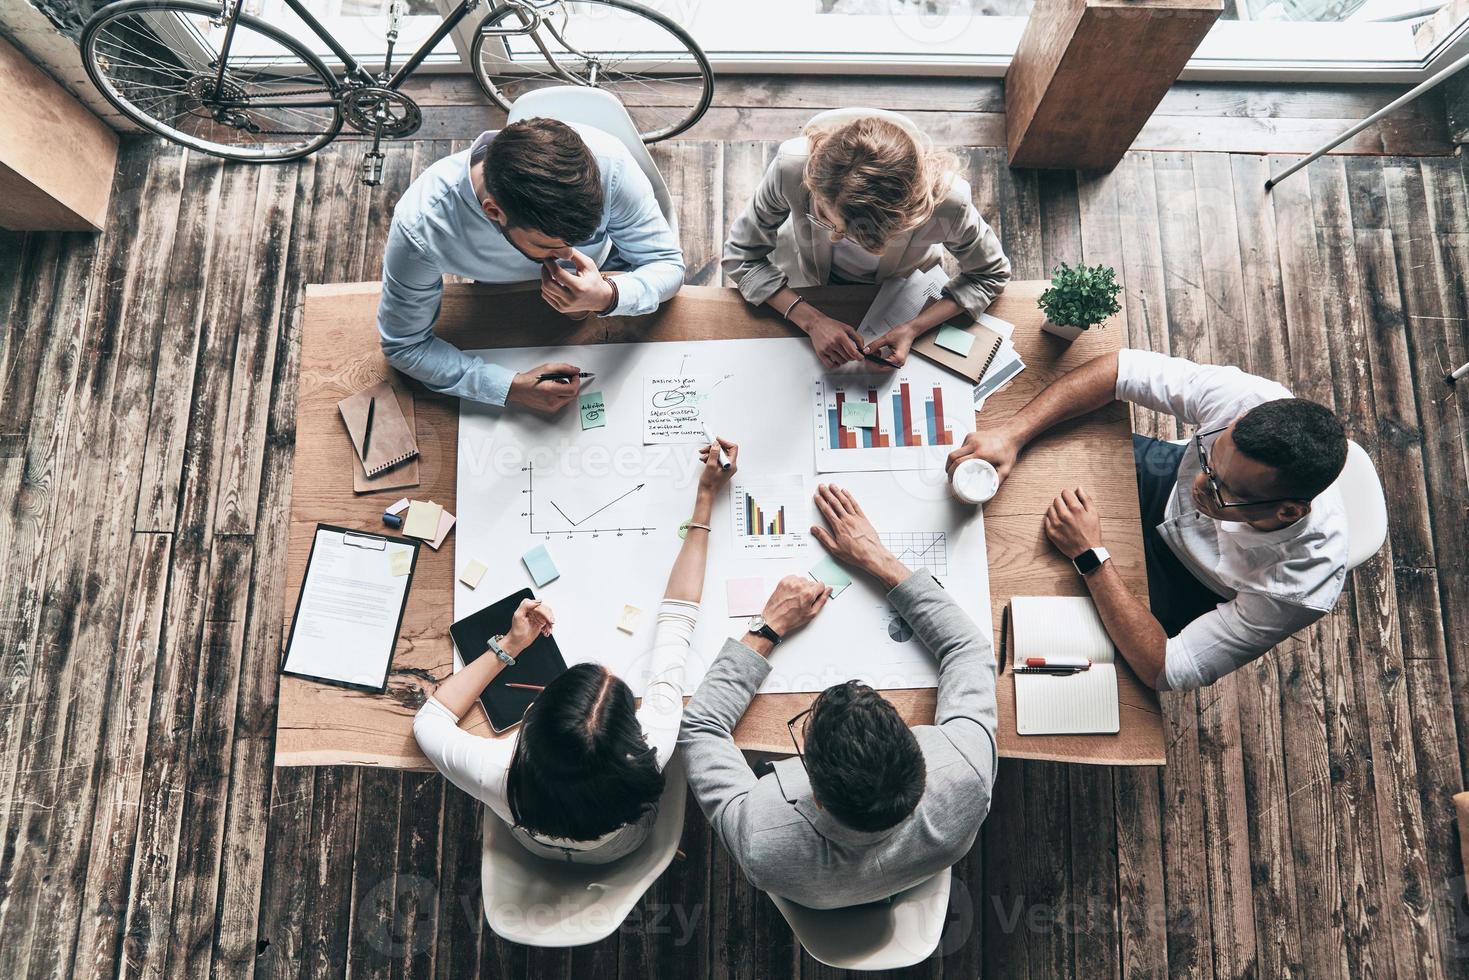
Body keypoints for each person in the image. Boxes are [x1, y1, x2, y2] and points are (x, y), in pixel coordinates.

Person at [946, 349, 1350, 692]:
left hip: (1189, 583)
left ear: (1288, 512)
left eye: (1222, 487)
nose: (1198, 482)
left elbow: (1167, 669)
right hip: (1159, 483)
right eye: (1209, 456)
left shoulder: (1299, 585)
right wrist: (1012, 434)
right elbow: (1118, 370)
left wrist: (1090, 556)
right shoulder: (1250, 401)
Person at [412, 438, 737, 862]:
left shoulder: (495, 770)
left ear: (531, 719)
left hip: (535, 835)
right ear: (631, 738)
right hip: (615, 845)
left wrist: (509, 645)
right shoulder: (652, 746)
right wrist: (706, 496)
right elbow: (678, 619)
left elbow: (429, 722)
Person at [679, 484, 997, 909]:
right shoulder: (967, 770)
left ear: (817, 796)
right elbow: (968, 649)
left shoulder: (761, 838)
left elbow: (700, 727)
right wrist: (878, 558)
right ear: (918, 750)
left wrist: (767, 627)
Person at [378, 117, 686, 416]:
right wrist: (510, 387)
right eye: (548, 246)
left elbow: (668, 264)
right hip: (498, 303)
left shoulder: (611, 165)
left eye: (581, 239)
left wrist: (608, 295)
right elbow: (405, 346)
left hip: (610, 272)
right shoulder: (420, 228)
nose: (569, 255)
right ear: (494, 212)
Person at [721, 113, 1010, 371]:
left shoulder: (949, 203)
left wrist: (913, 328)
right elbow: (741, 255)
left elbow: (990, 273)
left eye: (854, 233)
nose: (833, 236)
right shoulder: (790, 168)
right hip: (807, 283)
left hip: (903, 292)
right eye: (823, 215)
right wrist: (812, 320)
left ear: (906, 217)